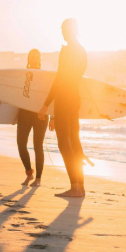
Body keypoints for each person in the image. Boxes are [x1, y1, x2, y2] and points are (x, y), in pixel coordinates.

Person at [37, 19, 86, 198]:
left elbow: (59, 80)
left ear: (70, 30)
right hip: (75, 98)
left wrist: (45, 105)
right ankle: (80, 186)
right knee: (75, 140)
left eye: (64, 30)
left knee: (64, 142)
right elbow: (76, 77)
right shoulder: (82, 51)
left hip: (64, 99)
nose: (62, 33)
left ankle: (74, 186)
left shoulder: (66, 51)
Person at [18, 49, 48, 187]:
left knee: (38, 146)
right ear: (29, 59)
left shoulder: (45, 76)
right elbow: (16, 94)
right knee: (21, 144)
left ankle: (38, 179)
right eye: (32, 57)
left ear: (40, 59)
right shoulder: (22, 75)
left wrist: (53, 116)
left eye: (37, 57)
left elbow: (51, 96)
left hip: (40, 114)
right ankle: (29, 174)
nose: (35, 59)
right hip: (24, 113)